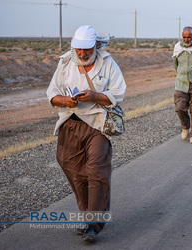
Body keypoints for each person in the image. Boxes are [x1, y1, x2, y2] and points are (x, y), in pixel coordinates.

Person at [46, 25, 126, 242]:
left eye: (87, 50)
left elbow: (119, 92)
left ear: (95, 46)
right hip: (70, 124)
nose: (82, 54)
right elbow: (52, 93)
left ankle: (92, 225)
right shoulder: (65, 62)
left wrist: (95, 95)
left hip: (97, 125)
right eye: (78, 50)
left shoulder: (107, 62)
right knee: (74, 170)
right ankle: (89, 217)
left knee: (96, 171)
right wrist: (65, 100)